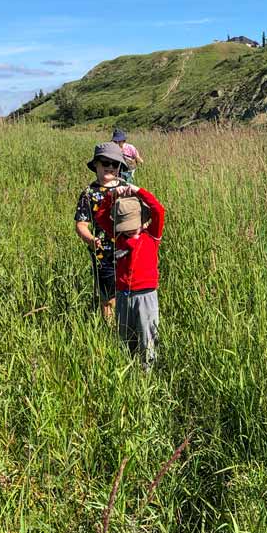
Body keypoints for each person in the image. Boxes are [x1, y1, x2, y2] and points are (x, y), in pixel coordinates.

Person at [93, 178, 165, 367]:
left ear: (143, 221)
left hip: (145, 296)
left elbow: (159, 210)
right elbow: (100, 216)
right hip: (123, 295)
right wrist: (111, 196)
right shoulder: (119, 237)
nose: (130, 230)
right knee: (126, 337)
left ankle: (148, 371)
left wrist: (137, 190)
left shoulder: (151, 237)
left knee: (147, 337)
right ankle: (130, 368)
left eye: (132, 225)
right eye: (125, 226)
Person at [74, 141, 128, 323]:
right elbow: (81, 224)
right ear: (96, 164)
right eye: (106, 163)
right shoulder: (89, 193)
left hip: (128, 248)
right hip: (102, 252)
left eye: (115, 164)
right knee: (107, 297)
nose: (110, 167)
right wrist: (90, 239)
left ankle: (127, 326)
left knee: (128, 291)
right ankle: (110, 329)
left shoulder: (127, 188)